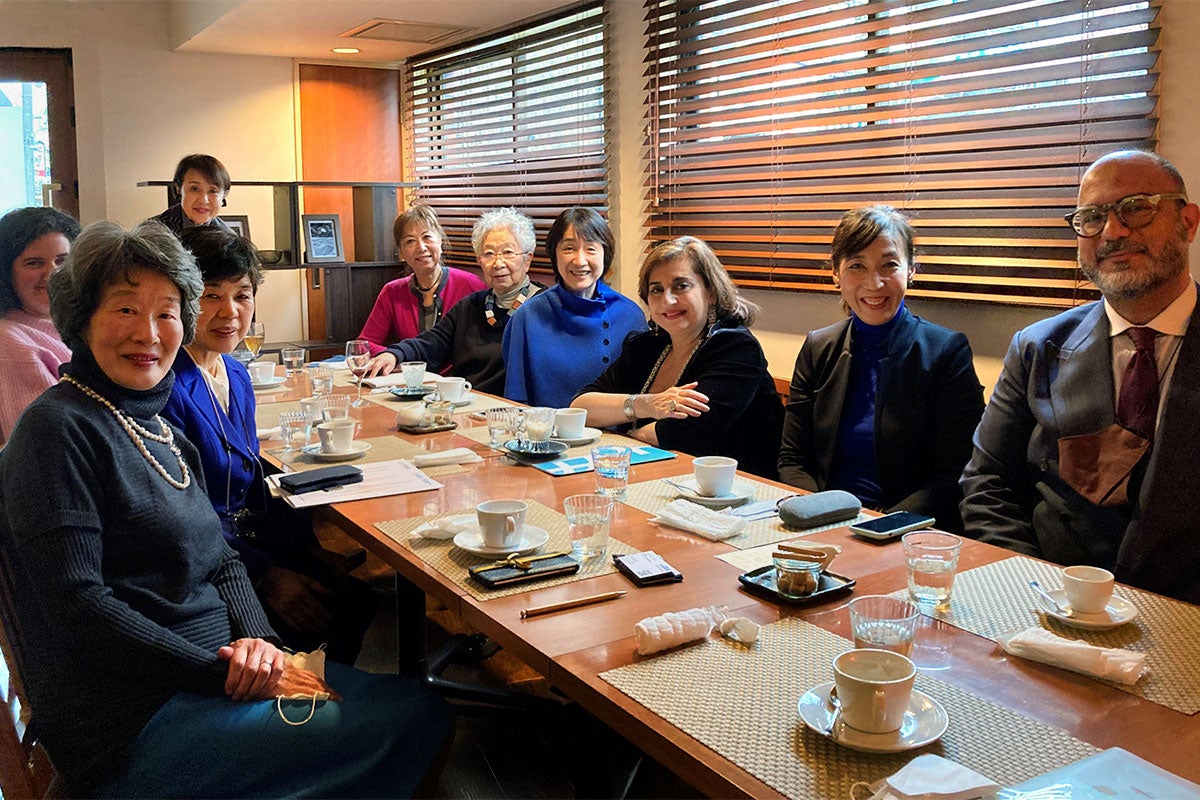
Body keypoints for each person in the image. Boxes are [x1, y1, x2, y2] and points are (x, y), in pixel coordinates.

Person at [0, 220, 451, 797]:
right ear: (80, 319)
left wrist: (269, 648)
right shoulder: (57, 431)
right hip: (137, 720)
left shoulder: (156, 426)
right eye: (124, 310)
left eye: (166, 312)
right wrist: (223, 672)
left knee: (410, 705)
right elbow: (78, 607)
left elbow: (222, 562)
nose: (149, 332)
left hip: (214, 676)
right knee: (418, 720)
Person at [960, 150, 1200, 603]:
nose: (1112, 231)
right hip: (1042, 606)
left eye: (1136, 208)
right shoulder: (1037, 346)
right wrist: (1028, 593)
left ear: (1187, 223)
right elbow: (987, 482)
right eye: (1091, 217)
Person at [163, 227, 375, 664]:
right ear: (183, 300)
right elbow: (183, 518)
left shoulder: (236, 376)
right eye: (210, 296)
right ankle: (301, 709)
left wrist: (308, 548)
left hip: (255, 542)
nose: (230, 313)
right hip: (210, 568)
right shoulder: (168, 386)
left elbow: (254, 480)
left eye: (242, 296)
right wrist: (265, 575)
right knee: (334, 610)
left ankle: (320, 701)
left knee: (358, 598)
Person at [777, 206, 984, 531]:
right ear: (836, 272)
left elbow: (954, 473)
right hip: (820, 522)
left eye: (889, 265)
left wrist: (875, 526)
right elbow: (793, 459)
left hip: (906, 531)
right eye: (857, 266)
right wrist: (820, 516)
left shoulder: (946, 351)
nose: (874, 283)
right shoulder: (818, 347)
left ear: (911, 270)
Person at [572, 236, 783, 478]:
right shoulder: (645, 346)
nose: (668, 300)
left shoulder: (736, 348)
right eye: (656, 290)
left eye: (681, 286)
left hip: (736, 493)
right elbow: (581, 408)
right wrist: (646, 404)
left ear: (711, 292)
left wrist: (627, 435)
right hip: (655, 477)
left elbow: (684, 436)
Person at [365, 206, 545, 394]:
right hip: (462, 405)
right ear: (480, 261)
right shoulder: (470, 306)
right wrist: (395, 354)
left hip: (511, 412)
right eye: (489, 254)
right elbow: (431, 343)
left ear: (527, 259)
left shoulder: (543, 307)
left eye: (508, 252)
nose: (498, 263)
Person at [503, 207, 646, 407]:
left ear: (605, 255)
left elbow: (643, 394)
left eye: (591, 249)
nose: (580, 261)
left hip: (618, 437)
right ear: (555, 253)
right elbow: (516, 401)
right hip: (547, 434)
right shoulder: (528, 317)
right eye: (568, 248)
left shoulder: (631, 316)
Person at [357, 204, 486, 356]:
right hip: (410, 377)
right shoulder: (392, 292)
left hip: (458, 378)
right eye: (410, 241)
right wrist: (397, 357)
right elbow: (362, 346)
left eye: (427, 237)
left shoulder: (471, 285)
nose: (421, 247)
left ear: (440, 241)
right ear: (401, 252)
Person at [0, 206, 80, 443]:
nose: (52, 273)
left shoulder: (75, 323)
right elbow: (48, 443)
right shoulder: (12, 345)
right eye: (34, 263)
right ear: (6, 274)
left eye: (62, 260)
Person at [149, 153, 234, 235]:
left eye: (213, 191)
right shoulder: (151, 233)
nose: (203, 200)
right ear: (178, 188)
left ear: (225, 194)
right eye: (195, 189)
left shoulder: (230, 241)